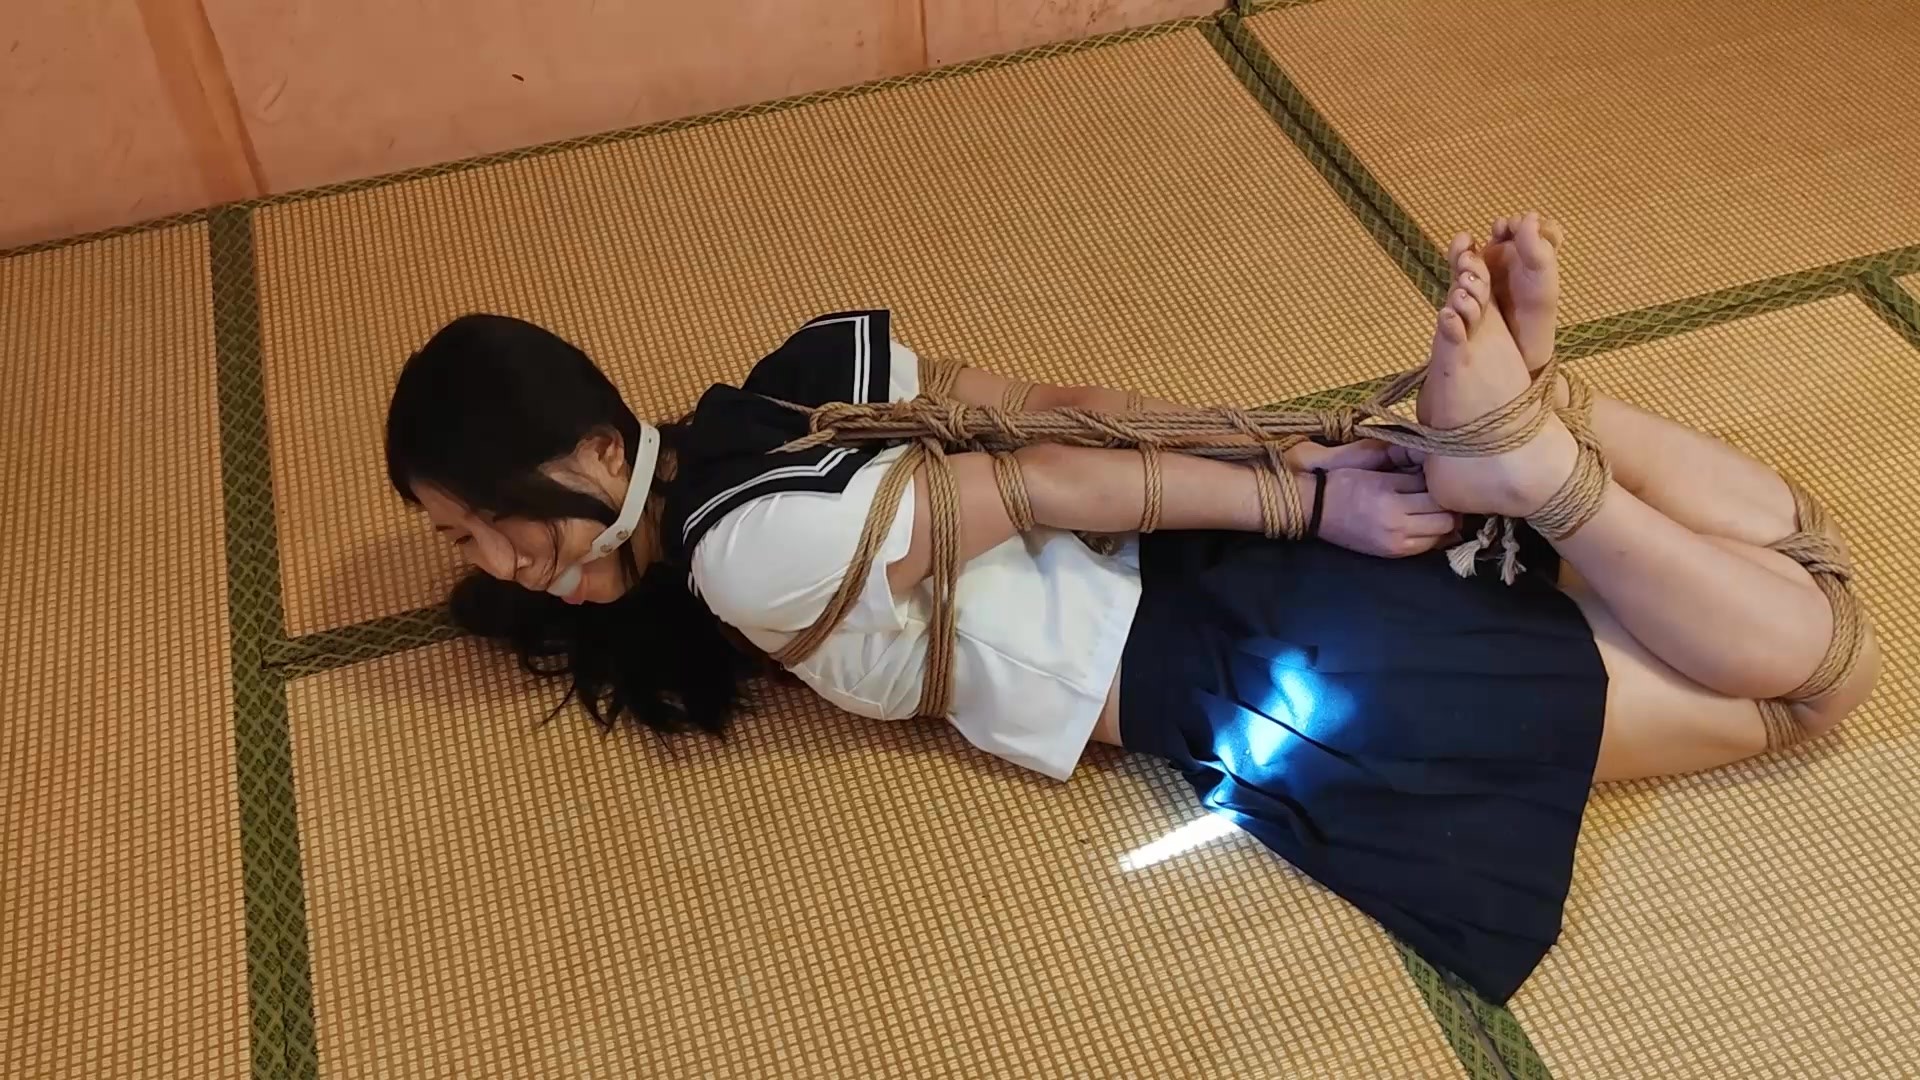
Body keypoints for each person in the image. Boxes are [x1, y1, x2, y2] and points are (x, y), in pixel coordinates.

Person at [383, 214, 1879, 1003]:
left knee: (1813, 684)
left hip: (1229, 658)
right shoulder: (784, 387)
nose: (496, 561)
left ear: (596, 455)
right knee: (1794, 568)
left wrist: (1308, 499)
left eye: (490, 522)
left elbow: (1041, 476)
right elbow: (1064, 401)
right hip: (1217, 554)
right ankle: (1534, 430)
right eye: (460, 541)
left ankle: (1528, 455)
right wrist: (1283, 449)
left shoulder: (734, 559)